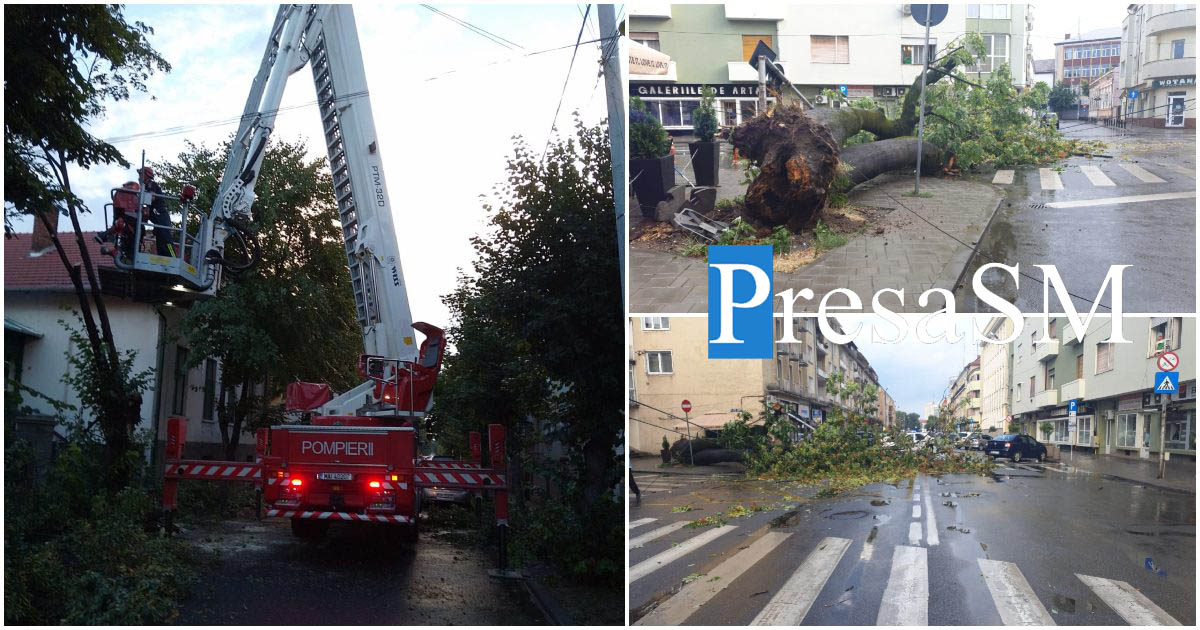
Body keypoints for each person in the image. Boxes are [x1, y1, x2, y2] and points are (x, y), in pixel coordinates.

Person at [139, 166, 175, 257]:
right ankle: (162, 257)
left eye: (141, 174)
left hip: (160, 214)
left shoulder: (151, 185)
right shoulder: (145, 187)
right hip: (157, 217)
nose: (139, 177)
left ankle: (172, 257)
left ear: (147, 175)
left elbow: (152, 197)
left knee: (166, 238)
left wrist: (143, 201)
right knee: (160, 238)